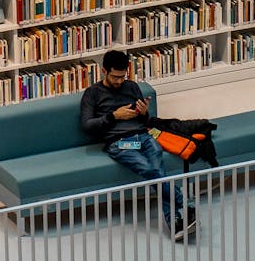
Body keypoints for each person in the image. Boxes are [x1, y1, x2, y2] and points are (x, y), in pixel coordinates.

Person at [80, 51, 196, 241]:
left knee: (155, 164)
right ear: (104, 71)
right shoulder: (92, 93)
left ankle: (176, 224)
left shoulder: (132, 87)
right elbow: (86, 126)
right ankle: (184, 205)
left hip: (143, 135)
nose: (119, 81)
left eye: (122, 76)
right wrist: (113, 116)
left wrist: (143, 113)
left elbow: (146, 120)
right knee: (148, 168)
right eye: (115, 77)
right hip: (121, 142)